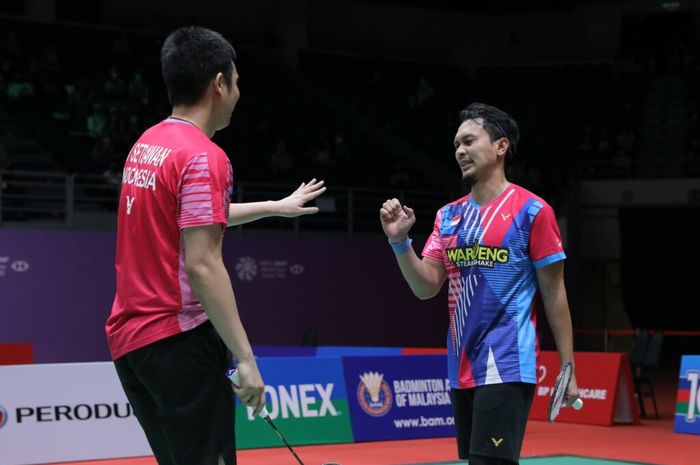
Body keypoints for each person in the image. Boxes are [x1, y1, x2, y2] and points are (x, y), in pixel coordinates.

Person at [105, 26, 325, 465]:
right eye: (237, 81)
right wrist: (246, 358)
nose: (239, 93)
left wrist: (275, 206)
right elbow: (203, 264)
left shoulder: (148, 144)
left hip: (134, 345)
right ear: (219, 83)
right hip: (179, 337)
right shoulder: (204, 155)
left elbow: (188, 219)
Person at [379, 103, 579, 465]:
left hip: (506, 362)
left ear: (500, 146)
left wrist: (568, 367)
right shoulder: (449, 216)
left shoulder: (532, 211)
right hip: (461, 365)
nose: (460, 151)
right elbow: (425, 286)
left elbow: (554, 293)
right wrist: (399, 242)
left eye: (470, 141)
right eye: (456, 144)